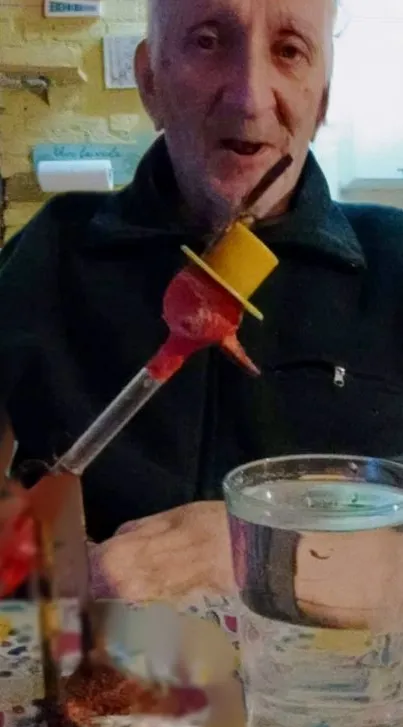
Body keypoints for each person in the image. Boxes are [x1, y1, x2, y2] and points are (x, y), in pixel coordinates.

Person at [1, 0, 403, 602]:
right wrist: (36, 558)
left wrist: (260, 553)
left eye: (290, 50)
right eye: (208, 42)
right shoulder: (50, 252)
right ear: (149, 82)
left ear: (321, 100)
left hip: (329, 685)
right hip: (94, 672)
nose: (250, 98)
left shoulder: (394, 262)